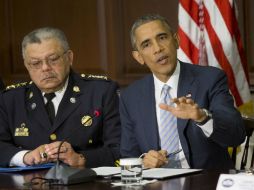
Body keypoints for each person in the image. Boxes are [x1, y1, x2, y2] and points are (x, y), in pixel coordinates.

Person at [120, 14, 246, 169]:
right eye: (146, 44)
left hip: (205, 181)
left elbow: (236, 135)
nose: (158, 48)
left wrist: (202, 117)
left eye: (162, 37)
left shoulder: (210, 79)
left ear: (176, 41)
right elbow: (128, 156)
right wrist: (144, 162)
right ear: (139, 57)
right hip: (156, 183)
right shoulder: (130, 97)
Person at [0, 27, 121, 168]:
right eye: (36, 63)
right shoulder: (11, 99)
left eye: (53, 59)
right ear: (27, 65)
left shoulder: (101, 92)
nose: (45, 68)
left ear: (69, 58)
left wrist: (81, 158)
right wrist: (25, 157)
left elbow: (120, 148)